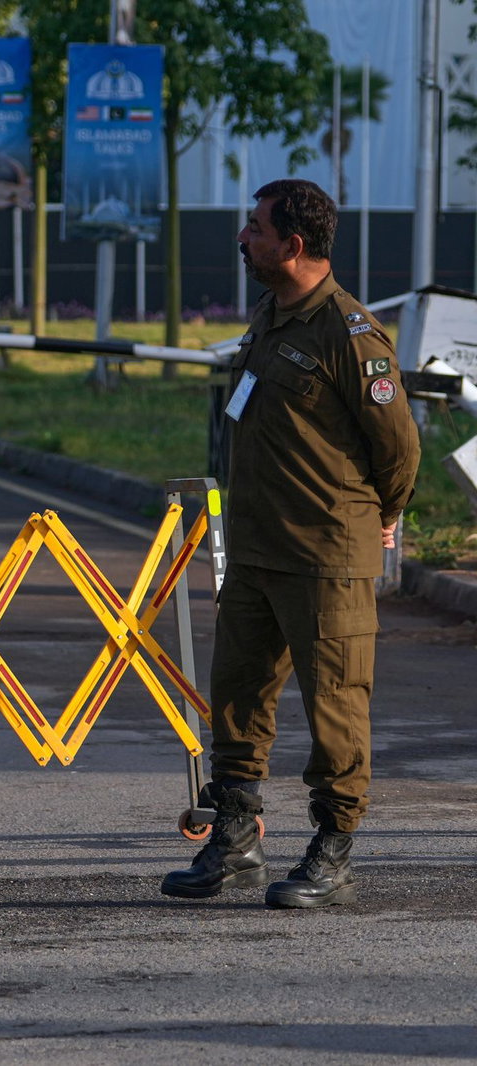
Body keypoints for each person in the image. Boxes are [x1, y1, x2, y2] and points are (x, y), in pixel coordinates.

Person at [161, 179, 420, 909]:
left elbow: (398, 449)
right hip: (254, 550)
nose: (244, 239)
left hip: (326, 556)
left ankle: (333, 852)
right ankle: (236, 841)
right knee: (238, 698)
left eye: (254, 229)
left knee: (335, 705)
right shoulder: (269, 319)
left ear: (293, 246)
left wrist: (382, 513)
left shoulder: (351, 333)